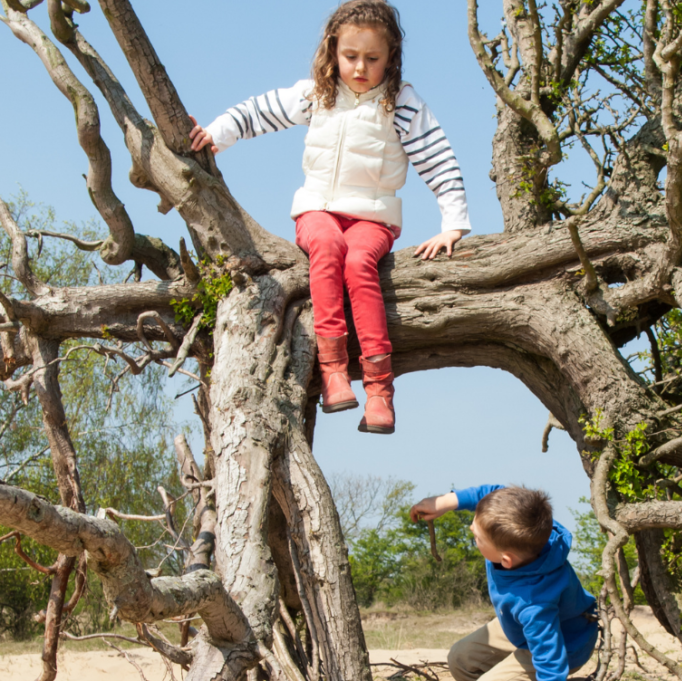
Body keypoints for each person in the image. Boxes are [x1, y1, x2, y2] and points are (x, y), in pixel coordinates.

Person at [188, 0, 472, 434]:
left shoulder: (403, 103)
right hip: (317, 208)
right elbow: (259, 111)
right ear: (333, 51)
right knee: (326, 247)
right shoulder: (317, 95)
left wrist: (453, 223)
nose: (360, 67)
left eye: (372, 59)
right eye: (350, 57)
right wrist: (215, 133)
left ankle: (379, 390)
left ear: (391, 57)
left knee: (358, 264)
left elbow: (438, 159)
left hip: (373, 217)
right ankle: (334, 369)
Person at [410, 485, 598, 681]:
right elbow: (492, 494)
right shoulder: (529, 526)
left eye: (477, 538)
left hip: (564, 645)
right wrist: (444, 503)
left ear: (506, 560)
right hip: (520, 628)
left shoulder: (534, 603)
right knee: (460, 659)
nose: (471, 528)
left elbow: (551, 664)